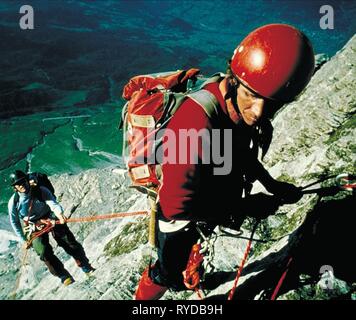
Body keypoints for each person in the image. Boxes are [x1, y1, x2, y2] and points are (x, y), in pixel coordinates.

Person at [134, 23, 315, 300]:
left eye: (273, 103)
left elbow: (238, 151)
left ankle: (192, 270)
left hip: (208, 194)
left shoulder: (233, 104)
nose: (258, 113)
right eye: (252, 96)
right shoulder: (193, 126)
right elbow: (175, 205)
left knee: (189, 253)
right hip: (178, 218)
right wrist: (244, 206)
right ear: (234, 80)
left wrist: (272, 185)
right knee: (167, 274)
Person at [8, 170, 95, 286]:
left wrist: (59, 214)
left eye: (23, 181)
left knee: (68, 241)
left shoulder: (40, 190)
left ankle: (86, 267)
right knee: (43, 252)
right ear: (15, 188)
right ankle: (64, 277)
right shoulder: (13, 203)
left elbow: (52, 203)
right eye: (18, 184)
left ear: (26, 180)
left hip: (50, 215)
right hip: (33, 224)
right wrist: (24, 240)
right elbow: (14, 222)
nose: (22, 185)